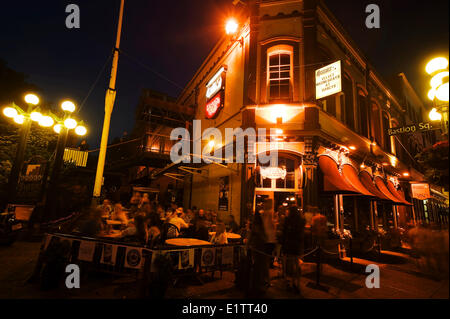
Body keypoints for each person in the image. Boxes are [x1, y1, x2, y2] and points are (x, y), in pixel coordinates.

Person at [280, 205, 305, 293]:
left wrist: (282, 244)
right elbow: (302, 233)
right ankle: (296, 283)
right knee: (296, 263)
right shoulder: (301, 220)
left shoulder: (287, 220)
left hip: (289, 244)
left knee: (288, 263)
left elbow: (284, 232)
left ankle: (289, 283)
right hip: (297, 244)